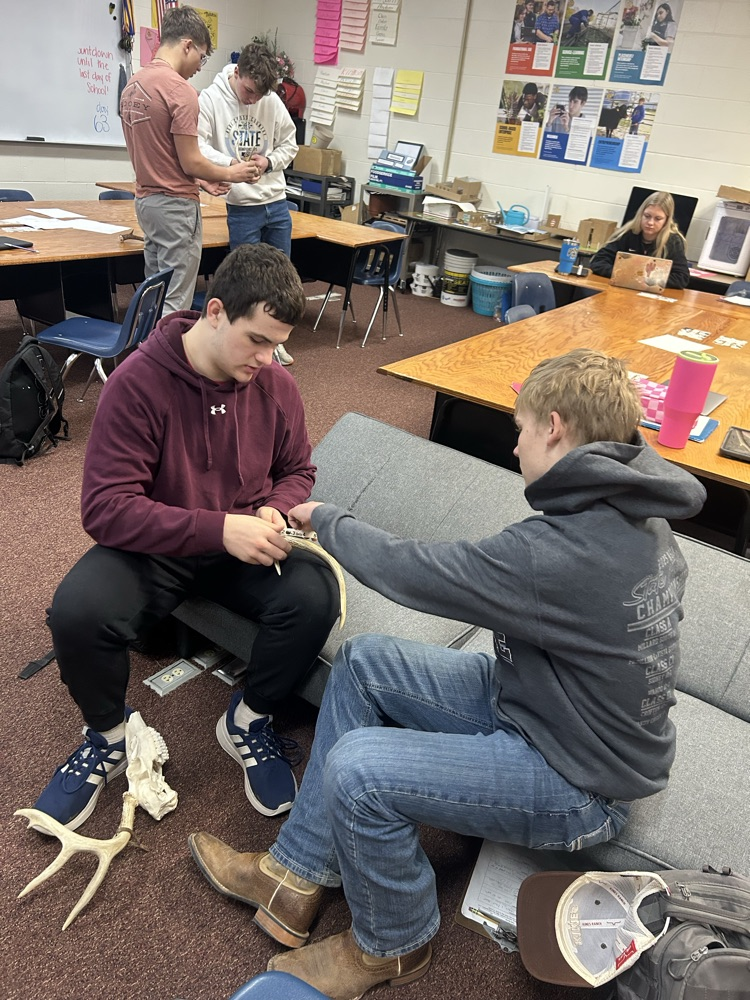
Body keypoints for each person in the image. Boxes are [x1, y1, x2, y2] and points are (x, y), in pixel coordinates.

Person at [188, 348, 706, 1000]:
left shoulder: (565, 550)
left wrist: (325, 518)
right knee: (366, 661)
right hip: (548, 709)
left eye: (519, 431)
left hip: (577, 780)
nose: (516, 449)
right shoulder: (637, 519)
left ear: (554, 426)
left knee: (359, 768)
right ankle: (296, 877)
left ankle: (395, 942)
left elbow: (418, 573)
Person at [33, 244, 340, 832]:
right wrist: (216, 528)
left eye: (277, 343)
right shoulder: (136, 384)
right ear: (216, 310)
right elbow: (104, 509)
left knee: (315, 595)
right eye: (256, 339)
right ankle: (108, 736)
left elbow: (298, 470)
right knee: (77, 612)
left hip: (242, 542)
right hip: (165, 545)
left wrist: (275, 511)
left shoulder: (276, 386)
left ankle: (249, 719)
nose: (267, 357)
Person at [119, 6, 258, 315]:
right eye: (202, 56)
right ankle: (165, 364)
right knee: (176, 299)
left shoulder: (133, 86)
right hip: (175, 208)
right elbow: (191, 161)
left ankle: (147, 357)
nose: (200, 66)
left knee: (154, 290)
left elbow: (164, 154)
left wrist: (201, 178)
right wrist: (232, 173)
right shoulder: (180, 91)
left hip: (147, 202)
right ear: (187, 45)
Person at [198, 42, 299, 365]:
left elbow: (290, 143)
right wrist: (231, 165)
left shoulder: (269, 99)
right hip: (242, 206)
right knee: (246, 282)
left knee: (281, 279)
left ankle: (273, 341)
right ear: (237, 72)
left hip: (276, 201)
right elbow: (196, 147)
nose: (253, 99)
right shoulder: (210, 100)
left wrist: (268, 162)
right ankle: (240, 342)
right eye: (250, 90)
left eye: (260, 94)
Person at [590, 190, 690, 289]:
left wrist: (647, 279)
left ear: (667, 220)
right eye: (647, 216)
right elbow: (598, 262)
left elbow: (682, 278)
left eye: (658, 219)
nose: (650, 222)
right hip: (621, 289)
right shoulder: (628, 234)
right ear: (640, 214)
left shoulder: (673, 241)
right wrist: (626, 275)